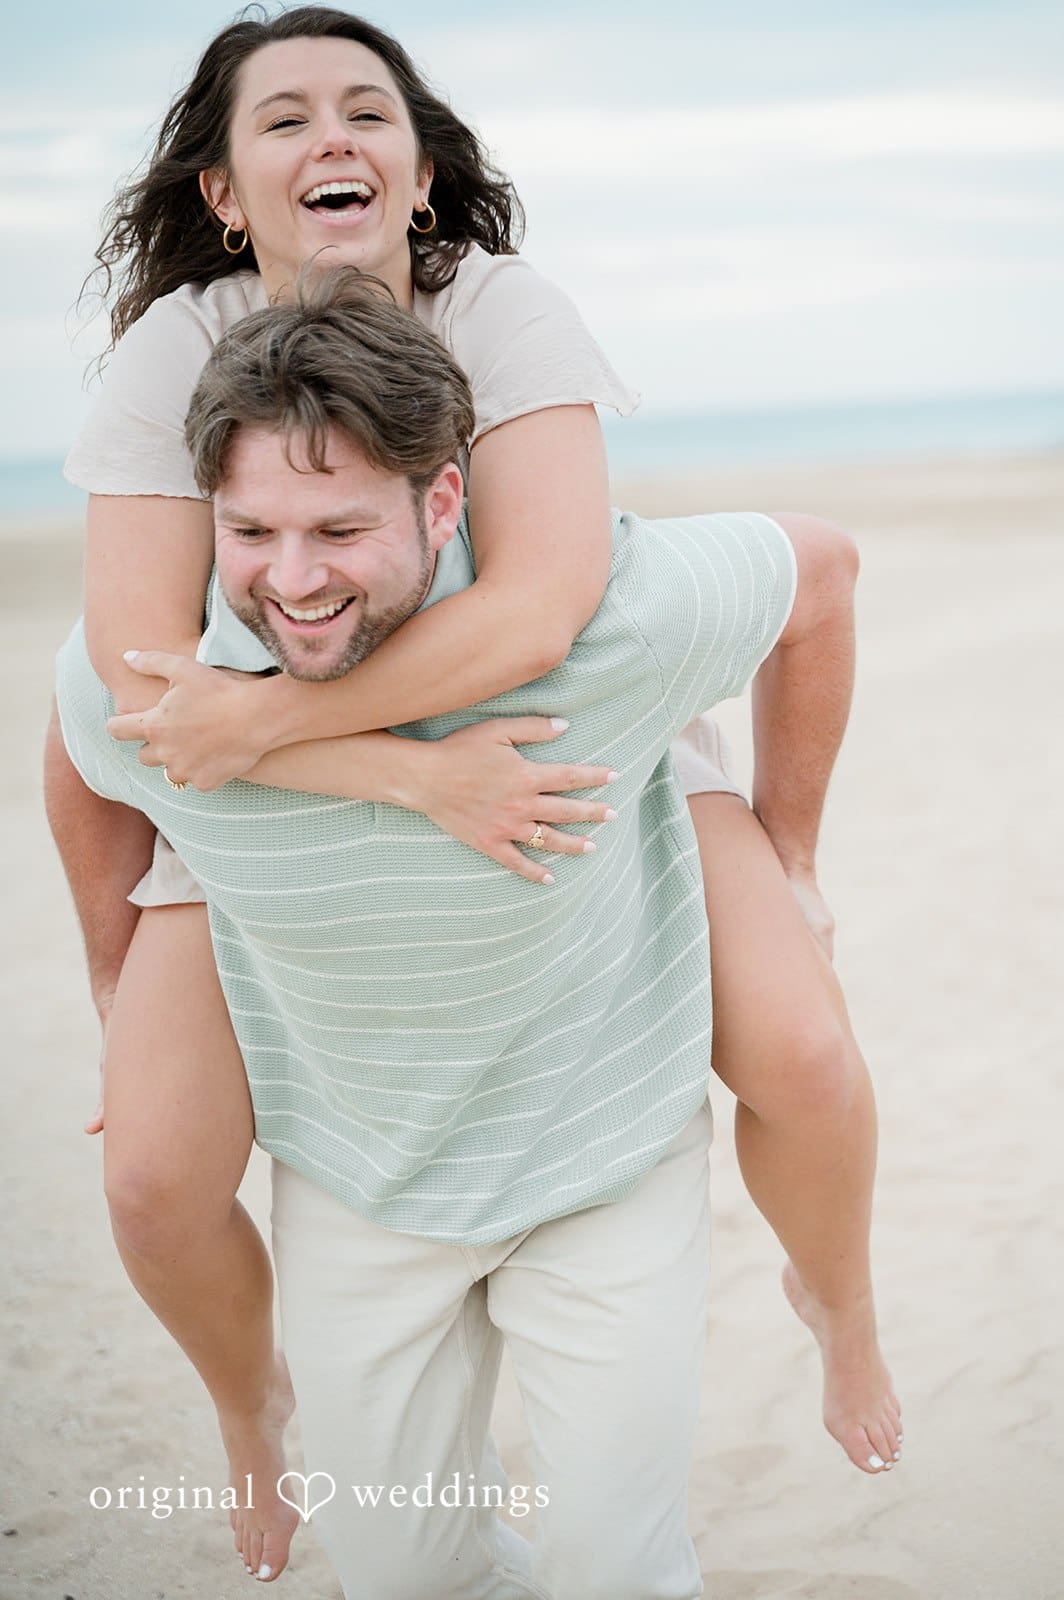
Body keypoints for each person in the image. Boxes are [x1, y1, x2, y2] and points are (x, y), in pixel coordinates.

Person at [44, 6, 899, 1583]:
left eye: (367, 112)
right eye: (283, 120)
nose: (332, 140)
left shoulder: (498, 307)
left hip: (545, 711)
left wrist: (791, 850)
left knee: (807, 1055)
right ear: (225, 191)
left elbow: (539, 610)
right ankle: (253, 1414)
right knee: (156, 1178)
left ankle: (836, 1299)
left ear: (420, 170)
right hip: (261, 753)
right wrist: (384, 778)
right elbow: (122, 676)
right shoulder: (174, 346)